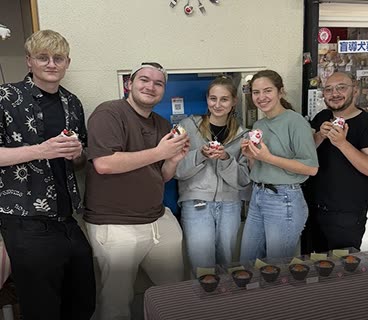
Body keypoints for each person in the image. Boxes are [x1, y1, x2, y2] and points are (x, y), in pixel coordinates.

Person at [0, 30, 95, 320]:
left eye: (58, 58)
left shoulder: (73, 102)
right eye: (43, 57)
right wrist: (42, 149)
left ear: (67, 62)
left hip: (67, 218)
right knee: (42, 309)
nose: (51, 64)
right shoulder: (5, 97)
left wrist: (77, 153)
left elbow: (78, 161)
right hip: (25, 220)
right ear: (29, 61)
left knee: (82, 302)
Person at [84, 62, 189, 320]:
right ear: (128, 84)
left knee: (175, 293)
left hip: (158, 220)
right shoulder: (109, 113)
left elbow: (161, 175)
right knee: (116, 300)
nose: (150, 86)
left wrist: (173, 159)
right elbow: (104, 164)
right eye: (144, 80)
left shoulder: (163, 125)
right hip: (116, 224)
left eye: (158, 83)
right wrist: (159, 152)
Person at [239, 70, 319, 262]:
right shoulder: (259, 124)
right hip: (258, 195)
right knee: (247, 262)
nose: (261, 97)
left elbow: (311, 168)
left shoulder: (296, 121)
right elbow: (259, 168)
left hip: (285, 199)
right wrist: (251, 157)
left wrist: (268, 157)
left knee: (277, 267)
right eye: (256, 92)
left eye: (267, 91)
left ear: (280, 92)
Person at [301, 72, 368, 253]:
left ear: (355, 90)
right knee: (315, 266)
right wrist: (319, 136)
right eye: (329, 89)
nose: (334, 93)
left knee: (343, 269)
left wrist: (342, 143)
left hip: (346, 213)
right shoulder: (322, 117)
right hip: (313, 208)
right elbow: (306, 155)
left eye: (341, 87)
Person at [175, 76, 250, 274]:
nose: (217, 105)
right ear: (207, 99)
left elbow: (243, 180)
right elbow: (176, 171)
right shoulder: (187, 126)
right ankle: (202, 305)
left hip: (230, 205)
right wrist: (200, 155)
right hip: (196, 203)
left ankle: (223, 304)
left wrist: (225, 159)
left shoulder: (244, 135)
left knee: (226, 264)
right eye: (213, 98)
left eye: (224, 99)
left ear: (234, 101)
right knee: (202, 267)